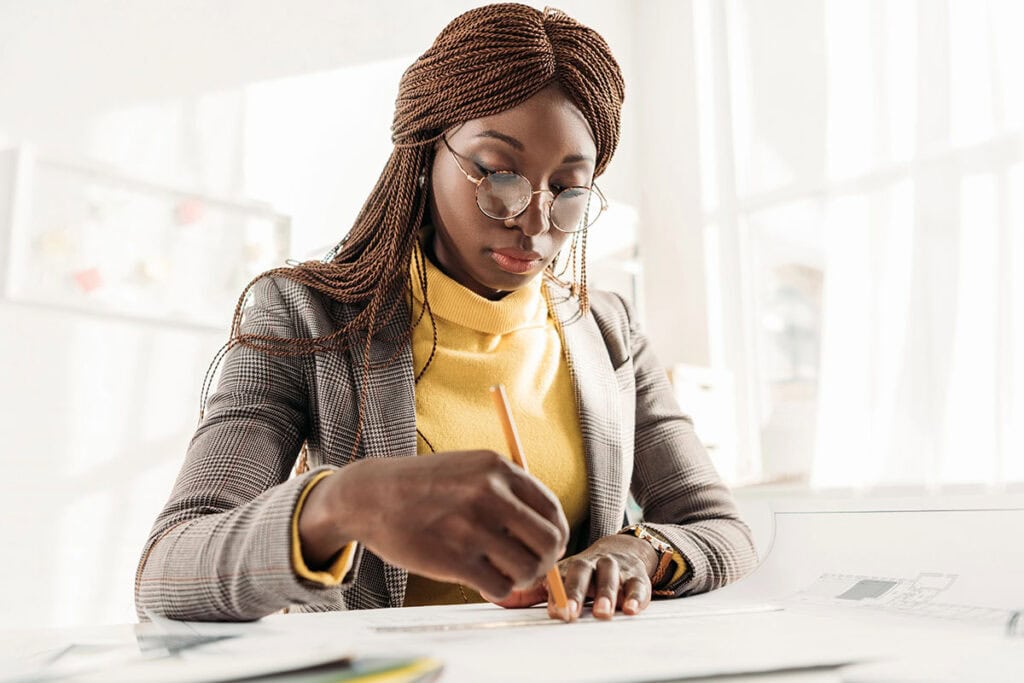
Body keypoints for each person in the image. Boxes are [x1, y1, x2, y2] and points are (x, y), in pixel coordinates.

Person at [135, 3, 757, 624]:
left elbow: (720, 527)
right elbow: (168, 571)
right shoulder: (308, 317)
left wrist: (637, 550)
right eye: (497, 174)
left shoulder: (609, 332)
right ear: (427, 151)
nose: (535, 222)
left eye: (568, 190)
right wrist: (345, 504)